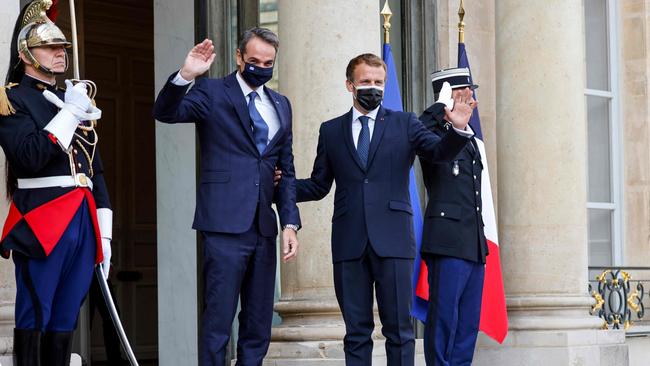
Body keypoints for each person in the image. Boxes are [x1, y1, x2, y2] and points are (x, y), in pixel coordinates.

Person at [296, 54, 475, 366]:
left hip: (393, 241)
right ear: (350, 85)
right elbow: (317, 185)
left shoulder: (405, 123)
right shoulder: (331, 131)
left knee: (399, 331)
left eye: (378, 82)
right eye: (366, 82)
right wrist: (276, 187)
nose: (373, 88)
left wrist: (457, 130)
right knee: (356, 333)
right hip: (349, 243)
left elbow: (436, 153)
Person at [152, 27, 301, 366]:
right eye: (253, 61)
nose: (261, 67)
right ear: (238, 57)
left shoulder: (281, 104)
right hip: (223, 225)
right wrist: (186, 75)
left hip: (264, 226)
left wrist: (290, 222)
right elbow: (165, 112)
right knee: (218, 323)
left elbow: (286, 169)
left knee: (258, 324)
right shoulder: (212, 91)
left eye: (268, 62)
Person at [0, 1, 112, 365]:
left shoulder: (72, 98)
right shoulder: (13, 99)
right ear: (27, 53)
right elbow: (29, 156)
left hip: (83, 216)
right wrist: (68, 113)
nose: (60, 54)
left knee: (67, 315)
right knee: (35, 310)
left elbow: (95, 169)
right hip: (43, 217)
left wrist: (105, 232)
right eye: (50, 47)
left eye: (62, 48)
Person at [418, 67, 487, 366]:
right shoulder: (432, 134)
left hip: (472, 243)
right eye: (464, 93)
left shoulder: (469, 138)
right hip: (447, 243)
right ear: (450, 97)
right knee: (444, 318)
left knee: (467, 324)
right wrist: (438, 109)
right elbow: (421, 137)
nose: (471, 99)